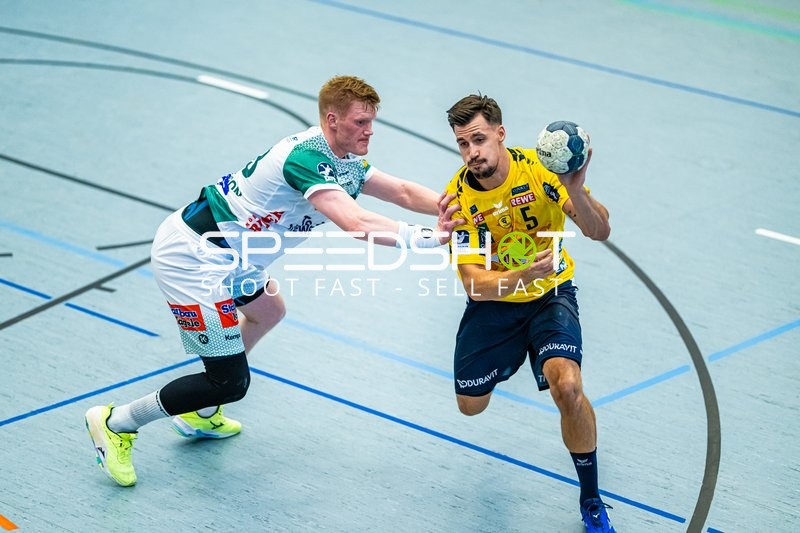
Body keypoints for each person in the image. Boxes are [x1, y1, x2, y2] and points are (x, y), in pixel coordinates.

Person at [85, 75, 462, 487]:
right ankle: (117, 423)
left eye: (372, 121)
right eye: (360, 122)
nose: (369, 130)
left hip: (237, 258)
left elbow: (404, 193)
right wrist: (434, 239)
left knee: (267, 312)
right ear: (332, 120)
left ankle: (199, 412)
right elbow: (354, 223)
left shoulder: (345, 160)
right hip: (195, 257)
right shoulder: (305, 158)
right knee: (228, 382)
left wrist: (464, 208)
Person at [443, 94, 615, 532]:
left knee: (568, 387)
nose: (472, 152)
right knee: (469, 406)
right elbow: (475, 286)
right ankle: (518, 352)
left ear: (501, 134)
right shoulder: (459, 200)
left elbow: (599, 231)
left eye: (479, 139)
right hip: (498, 303)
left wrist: (575, 189)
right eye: (463, 144)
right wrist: (521, 275)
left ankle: (591, 499)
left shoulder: (539, 171)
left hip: (551, 294)